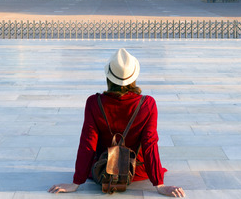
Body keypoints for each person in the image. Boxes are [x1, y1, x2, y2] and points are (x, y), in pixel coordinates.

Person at [49, 48, 185, 197]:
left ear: (109, 77)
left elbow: (88, 144)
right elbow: (149, 144)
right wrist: (158, 183)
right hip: (136, 172)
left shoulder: (94, 103)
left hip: (104, 169)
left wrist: (76, 182)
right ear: (134, 77)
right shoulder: (148, 104)